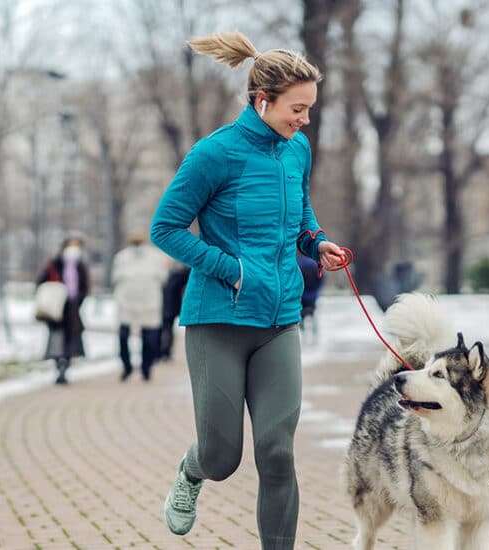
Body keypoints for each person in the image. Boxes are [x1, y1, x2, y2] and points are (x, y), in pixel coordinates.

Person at [150, 31, 345, 549]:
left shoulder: (296, 149)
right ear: (262, 101)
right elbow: (165, 228)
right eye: (297, 109)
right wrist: (231, 268)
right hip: (219, 320)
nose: (305, 120)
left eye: (309, 109)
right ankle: (191, 473)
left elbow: (298, 210)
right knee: (222, 458)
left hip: (280, 319)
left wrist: (316, 240)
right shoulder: (215, 154)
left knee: (278, 452)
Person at [112, 229, 170, 381]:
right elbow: (116, 278)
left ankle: (146, 367)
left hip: (149, 302)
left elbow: (163, 278)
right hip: (127, 302)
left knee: (149, 338)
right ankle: (127, 366)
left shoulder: (156, 257)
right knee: (123, 336)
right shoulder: (121, 257)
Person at [35, 236, 90, 385]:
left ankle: (65, 367)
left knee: (71, 339)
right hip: (56, 309)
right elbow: (41, 282)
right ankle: (59, 368)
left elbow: (85, 287)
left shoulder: (80, 266)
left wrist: (78, 301)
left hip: (73, 309)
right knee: (57, 339)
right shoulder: (54, 264)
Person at [160, 263, 190, 361]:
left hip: (168, 306)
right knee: (166, 328)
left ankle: (165, 351)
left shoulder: (176, 275)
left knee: (166, 328)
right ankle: (165, 351)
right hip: (169, 306)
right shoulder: (177, 275)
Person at [297, 253, 323, 337]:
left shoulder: (300, 262)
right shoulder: (316, 264)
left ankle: (302, 331)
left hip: (301, 294)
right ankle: (315, 333)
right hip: (313, 295)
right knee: (313, 313)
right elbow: (321, 278)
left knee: (301, 314)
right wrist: (317, 289)